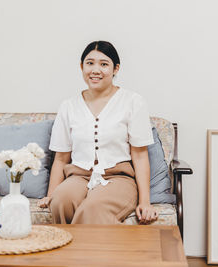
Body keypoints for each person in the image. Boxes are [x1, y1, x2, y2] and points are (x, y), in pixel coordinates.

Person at [37, 40, 158, 225]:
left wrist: (145, 202)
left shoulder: (133, 102)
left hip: (118, 179)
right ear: (81, 66)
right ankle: (68, 253)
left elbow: (140, 156)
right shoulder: (68, 106)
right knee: (60, 201)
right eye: (90, 63)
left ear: (115, 69)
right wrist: (51, 195)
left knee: (92, 208)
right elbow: (60, 158)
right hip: (78, 176)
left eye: (104, 64)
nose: (95, 70)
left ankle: (96, 253)